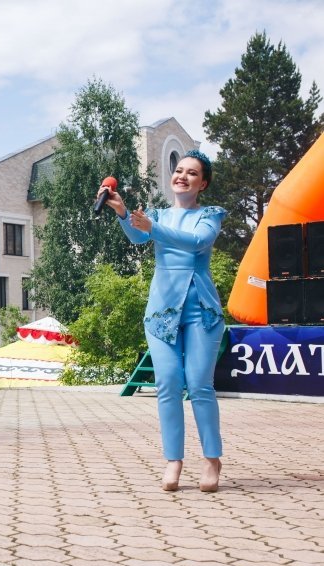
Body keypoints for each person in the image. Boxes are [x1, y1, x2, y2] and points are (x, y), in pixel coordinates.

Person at [100, 150, 226, 492]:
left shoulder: (210, 215)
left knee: (199, 385)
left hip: (201, 309)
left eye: (192, 173)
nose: (182, 176)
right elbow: (139, 236)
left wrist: (153, 227)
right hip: (161, 311)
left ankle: (211, 459)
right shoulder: (155, 215)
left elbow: (198, 242)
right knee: (168, 383)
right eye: (179, 170)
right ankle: (174, 460)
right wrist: (124, 212)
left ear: (203, 183)